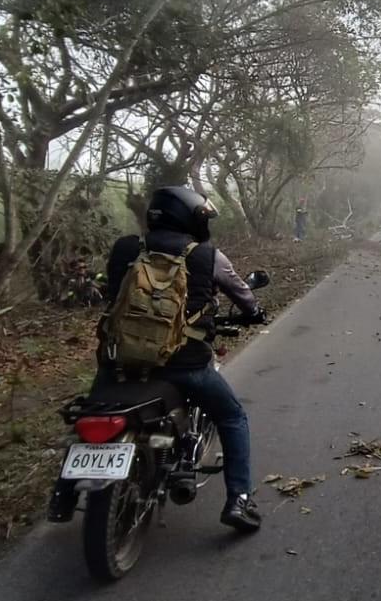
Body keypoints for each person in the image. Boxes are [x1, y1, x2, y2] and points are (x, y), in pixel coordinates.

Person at [97, 186, 267, 531]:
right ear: (190, 218)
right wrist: (254, 311)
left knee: (93, 410)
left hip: (118, 362)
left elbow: (111, 294)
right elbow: (242, 294)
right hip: (185, 365)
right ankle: (239, 500)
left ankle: (63, 493)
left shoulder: (125, 248)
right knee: (233, 417)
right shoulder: (207, 256)